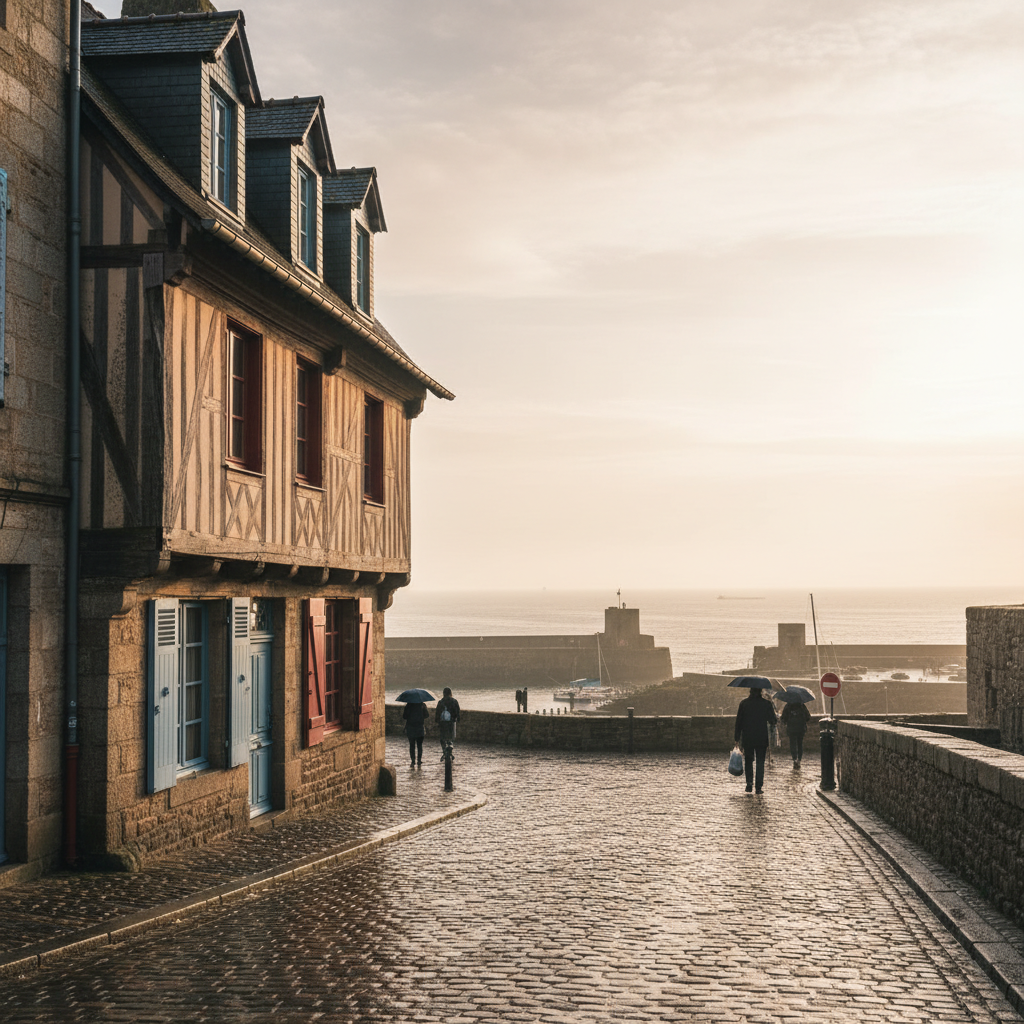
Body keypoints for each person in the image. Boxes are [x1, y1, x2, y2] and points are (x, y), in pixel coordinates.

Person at [734, 687, 778, 795]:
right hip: (761, 737)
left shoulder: (744, 704)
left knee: (748, 761)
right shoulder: (766, 704)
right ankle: (758, 787)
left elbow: (738, 722)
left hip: (748, 736)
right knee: (760, 762)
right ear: (761, 691)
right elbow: (773, 720)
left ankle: (749, 784)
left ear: (750, 691)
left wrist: (736, 738)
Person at [781, 700, 811, 768]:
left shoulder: (788, 706)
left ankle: (795, 759)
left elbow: (783, 718)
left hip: (791, 728)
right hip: (801, 728)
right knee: (800, 743)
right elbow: (808, 717)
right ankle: (799, 760)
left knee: (792, 744)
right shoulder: (802, 706)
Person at [435, 687, 461, 758]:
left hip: (443, 722)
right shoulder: (454, 701)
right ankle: (450, 751)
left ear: (444, 693)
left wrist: (437, 721)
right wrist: (457, 719)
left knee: (442, 738)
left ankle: (444, 752)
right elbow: (457, 712)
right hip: (451, 722)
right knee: (451, 737)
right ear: (450, 693)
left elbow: (437, 713)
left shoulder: (441, 702)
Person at [402, 701, 428, 767]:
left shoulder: (408, 705)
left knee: (412, 745)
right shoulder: (422, 705)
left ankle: (413, 761)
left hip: (411, 728)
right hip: (420, 727)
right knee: (419, 745)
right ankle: (419, 760)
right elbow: (427, 715)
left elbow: (404, 716)